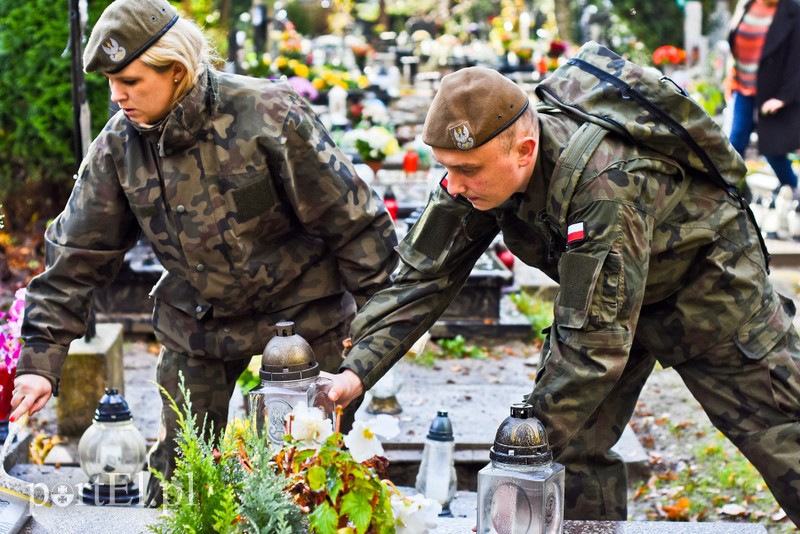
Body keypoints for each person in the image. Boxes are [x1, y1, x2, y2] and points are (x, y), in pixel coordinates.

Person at [327, 65, 800, 524]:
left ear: (524, 150)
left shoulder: (603, 185)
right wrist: (355, 371)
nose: (453, 184)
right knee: (569, 449)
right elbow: (422, 276)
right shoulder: (478, 171)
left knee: (782, 438)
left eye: (466, 169)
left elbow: (593, 347)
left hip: (707, 290)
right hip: (603, 295)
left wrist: (510, 469)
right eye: (445, 168)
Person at [10, 0, 398, 508]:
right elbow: (76, 255)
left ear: (176, 70)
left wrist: (373, 336)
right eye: (110, 82)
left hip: (305, 317)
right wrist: (39, 361)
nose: (117, 95)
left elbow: (356, 225)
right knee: (182, 479)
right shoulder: (118, 148)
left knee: (308, 476)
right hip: (200, 320)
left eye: (129, 80)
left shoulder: (269, 114)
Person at [726, 0, 800, 195]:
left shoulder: (793, 11)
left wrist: (783, 97)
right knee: (734, 143)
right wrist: (731, 78)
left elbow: (797, 59)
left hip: (773, 94)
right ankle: (726, 192)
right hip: (743, 89)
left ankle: (793, 189)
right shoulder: (746, 4)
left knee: (773, 149)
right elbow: (736, 45)